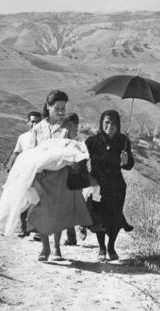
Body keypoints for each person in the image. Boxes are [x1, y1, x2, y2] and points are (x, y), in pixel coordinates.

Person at [28, 90, 92, 261]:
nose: (61, 111)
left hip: (61, 176)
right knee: (42, 210)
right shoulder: (37, 129)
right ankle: (45, 247)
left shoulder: (68, 127)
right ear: (48, 107)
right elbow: (31, 152)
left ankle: (56, 247)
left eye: (64, 108)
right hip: (42, 176)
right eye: (57, 108)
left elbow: (73, 149)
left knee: (58, 211)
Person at [85, 109, 134, 262]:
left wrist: (125, 161)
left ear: (118, 125)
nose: (110, 126)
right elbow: (81, 159)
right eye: (107, 122)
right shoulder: (92, 141)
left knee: (114, 218)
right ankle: (101, 248)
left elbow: (129, 166)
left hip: (116, 187)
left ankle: (111, 246)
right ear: (101, 123)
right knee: (99, 218)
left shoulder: (123, 141)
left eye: (113, 123)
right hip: (98, 186)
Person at [5, 111, 42, 238]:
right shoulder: (23, 137)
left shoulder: (44, 137)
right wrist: (10, 166)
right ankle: (23, 228)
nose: (34, 124)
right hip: (24, 170)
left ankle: (37, 228)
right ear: (27, 122)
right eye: (32, 121)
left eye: (37, 121)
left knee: (38, 198)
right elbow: (16, 152)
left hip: (39, 170)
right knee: (23, 197)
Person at [63, 112, 88, 246]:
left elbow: (84, 158)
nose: (74, 128)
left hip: (75, 176)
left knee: (75, 205)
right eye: (73, 125)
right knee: (67, 206)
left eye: (76, 126)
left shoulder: (79, 141)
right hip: (65, 176)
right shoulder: (62, 139)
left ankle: (81, 226)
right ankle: (72, 235)